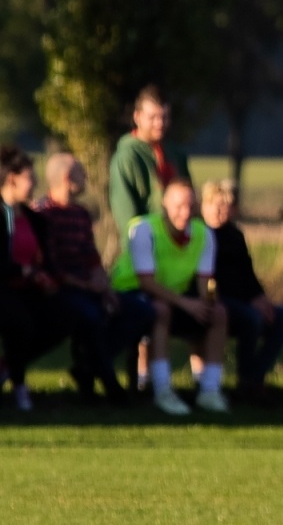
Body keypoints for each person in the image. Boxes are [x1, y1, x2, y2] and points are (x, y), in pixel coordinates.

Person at [34, 152, 149, 403]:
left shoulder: (80, 214)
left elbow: (91, 256)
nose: (86, 177)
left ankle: (88, 366)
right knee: (90, 315)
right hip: (60, 289)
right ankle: (110, 384)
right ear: (67, 178)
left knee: (140, 311)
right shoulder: (43, 216)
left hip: (86, 286)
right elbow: (50, 267)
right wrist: (89, 286)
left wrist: (105, 289)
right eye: (81, 173)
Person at [109, 180, 230, 416]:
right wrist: (188, 304)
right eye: (178, 206)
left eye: (189, 206)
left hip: (175, 298)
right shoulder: (144, 229)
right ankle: (162, 389)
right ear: (165, 205)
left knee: (219, 314)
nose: (184, 213)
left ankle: (209, 390)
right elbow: (147, 282)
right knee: (161, 311)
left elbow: (204, 281)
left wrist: (207, 302)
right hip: (131, 294)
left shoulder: (203, 234)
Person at [200, 179, 283, 403]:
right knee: (251, 319)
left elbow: (247, 273)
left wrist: (261, 298)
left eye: (224, 205)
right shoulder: (200, 236)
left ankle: (255, 377)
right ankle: (245, 381)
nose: (219, 210)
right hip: (219, 300)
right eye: (213, 204)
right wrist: (251, 302)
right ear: (203, 206)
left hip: (243, 299)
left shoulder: (235, 236)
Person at [0, 146, 67, 411]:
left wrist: (48, 277)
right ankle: (19, 386)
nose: (36, 182)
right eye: (30, 177)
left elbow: (44, 258)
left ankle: (7, 368)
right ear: (12, 179)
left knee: (62, 318)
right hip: (3, 288)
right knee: (21, 323)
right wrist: (23, 271)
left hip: (29, 290)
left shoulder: (33, 218)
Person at [110, 86, 191, 236]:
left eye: (164, 117)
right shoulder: (126, 158)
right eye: (152, 117)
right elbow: (126, 214)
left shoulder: (175, 154)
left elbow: (190, 200)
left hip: (179, 247)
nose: (159, 123)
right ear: (137, 117)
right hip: (147, 245)